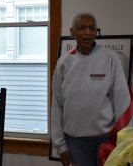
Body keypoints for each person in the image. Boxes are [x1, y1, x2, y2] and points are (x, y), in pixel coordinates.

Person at [51, 12, 131, 166]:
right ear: (72, 32)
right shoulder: (64, 62)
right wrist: (60, 146)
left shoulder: (110, 58)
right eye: (81, 28)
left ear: (96, 32)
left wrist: (125, 141)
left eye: (92, 28)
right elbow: (57, 106)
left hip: (106, 140)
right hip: (75, 143)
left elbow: (122, 101)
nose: (87, 32)